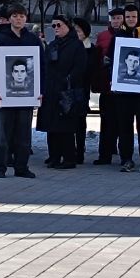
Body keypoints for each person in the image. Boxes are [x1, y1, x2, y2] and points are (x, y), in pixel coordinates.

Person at [0, 4, 41, 178]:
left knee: (24, 135)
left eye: (22, 16)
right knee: (1, 135)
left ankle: (21, 167)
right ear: (9, 19)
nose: (19, 19)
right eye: (15, 16)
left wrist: (40, 91)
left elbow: (41, 68)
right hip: (4, 96)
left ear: (26, 19)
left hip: (26, 96)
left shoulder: (32, 39)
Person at [37, 15, 87, 169]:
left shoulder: (76, 45)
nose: (56, 28)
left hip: (67, 92)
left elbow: (80, 68)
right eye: (53, 26)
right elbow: (45, 66)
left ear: (67, 26)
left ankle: (69, 158)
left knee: (66, 128)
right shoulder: (52, 45)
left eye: (59, 25)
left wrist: (68, 80)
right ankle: (54, 156)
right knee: (52, 127)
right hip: (51, 91)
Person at [114, 4, 140, 174]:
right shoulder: (118, 36)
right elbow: (111, 61)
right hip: (123, 91)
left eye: (133, 16)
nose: (131, 19)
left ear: (138, 17)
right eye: (128, 16)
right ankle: (126, 159)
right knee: (124, 126)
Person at [91, 8, 125, 165]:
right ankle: (105, 154)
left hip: (124, 88)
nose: (116, 21)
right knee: (106, 122)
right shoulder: (103, 36)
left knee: (123, 123)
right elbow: (98, 62)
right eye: (114, 19)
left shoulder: (131, 34)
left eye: (119, 18)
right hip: (107, 86)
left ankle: (123, 153)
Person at [72, 18, 93, 164]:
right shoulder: (70, 46)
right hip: (69, 88)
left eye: (78, 31)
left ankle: (80, 150)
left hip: (83, 89)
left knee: (80, 121)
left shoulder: (91, 49)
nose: (75, 33)